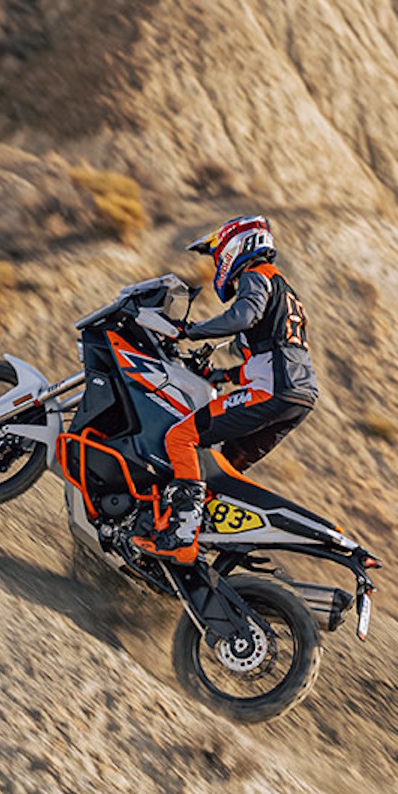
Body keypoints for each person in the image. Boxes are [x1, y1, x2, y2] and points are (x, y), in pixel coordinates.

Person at [133, 215, 318, 560]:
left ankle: (183, 535)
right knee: (221, 466)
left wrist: (188, 330)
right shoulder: (284, 291)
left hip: (274, 391)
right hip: (299, 396)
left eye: (218, 254)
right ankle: (208, 537)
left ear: (237, 246)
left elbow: (242, 317)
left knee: (181, 437)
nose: (218, 263)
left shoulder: (255, 274)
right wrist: (221, 375)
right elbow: (272, 356)